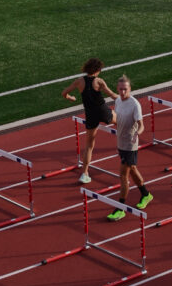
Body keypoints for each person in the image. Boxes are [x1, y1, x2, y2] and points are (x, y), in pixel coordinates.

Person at [62, 58, 118, 184]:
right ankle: (125, 144)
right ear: (97, 70)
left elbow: (64, 93)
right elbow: (112, 95)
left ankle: (85, 173)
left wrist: (70, 98)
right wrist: (127, 99)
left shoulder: (79, 81)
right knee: (121, 121)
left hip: (90, 115)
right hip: (102, 111)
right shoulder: (99, 81)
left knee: (89, 146)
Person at [107, 75, 153, 220]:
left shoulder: (135, 104)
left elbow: (141, 125)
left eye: (125, 89)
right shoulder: (117, 101)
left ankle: (121, 208)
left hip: (130, 145)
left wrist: (136, 134)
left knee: (123, 175)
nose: (122, 92)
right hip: (120, 142)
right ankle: (146, 194)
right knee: (132, 169)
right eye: (120, 89)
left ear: (130, 89)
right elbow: (117, 119)